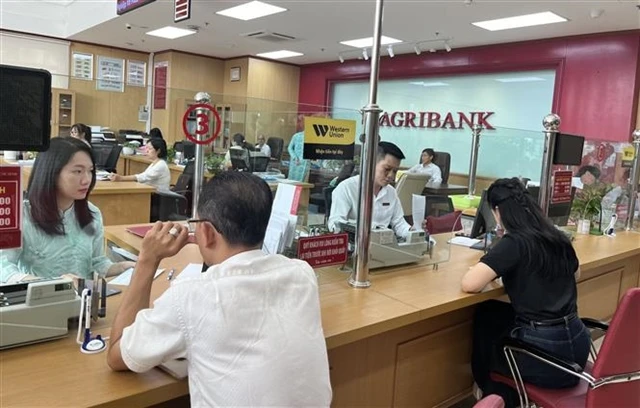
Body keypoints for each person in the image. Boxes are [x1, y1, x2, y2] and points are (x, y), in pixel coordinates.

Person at [106, 172, 332, 407]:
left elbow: (117, 355)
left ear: (206, 232)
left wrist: (147, 260)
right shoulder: (302, 274)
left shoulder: (191, 296)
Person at [461, 178, 590, 408]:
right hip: (578, 351)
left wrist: (495, 271)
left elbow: (470, 284)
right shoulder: (556, 236)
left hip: (548, 361)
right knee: (495, 312)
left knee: (485, 320)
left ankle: (496, 394)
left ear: (498, 211)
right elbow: (576, 274)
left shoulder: (514, 242)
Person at [0, 137, 133, 283]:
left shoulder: (92, 213)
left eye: (90, 171)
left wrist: (120, 267)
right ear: (51, 172)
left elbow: (96, 262)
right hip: (40, 300)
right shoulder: (21, 215)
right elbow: (4, 267)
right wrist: (49, 284)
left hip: (83, 301)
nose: (87, 179)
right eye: (77, 171)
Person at [328, 141, 422, 238]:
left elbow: (399, 224)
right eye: (387, 169)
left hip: (383, 246)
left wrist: (412, 230)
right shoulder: (347, 188)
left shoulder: (391, 192)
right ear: (371, 164)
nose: (391, 176)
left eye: (395, 171)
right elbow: (335, 224)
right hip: (355, 245)